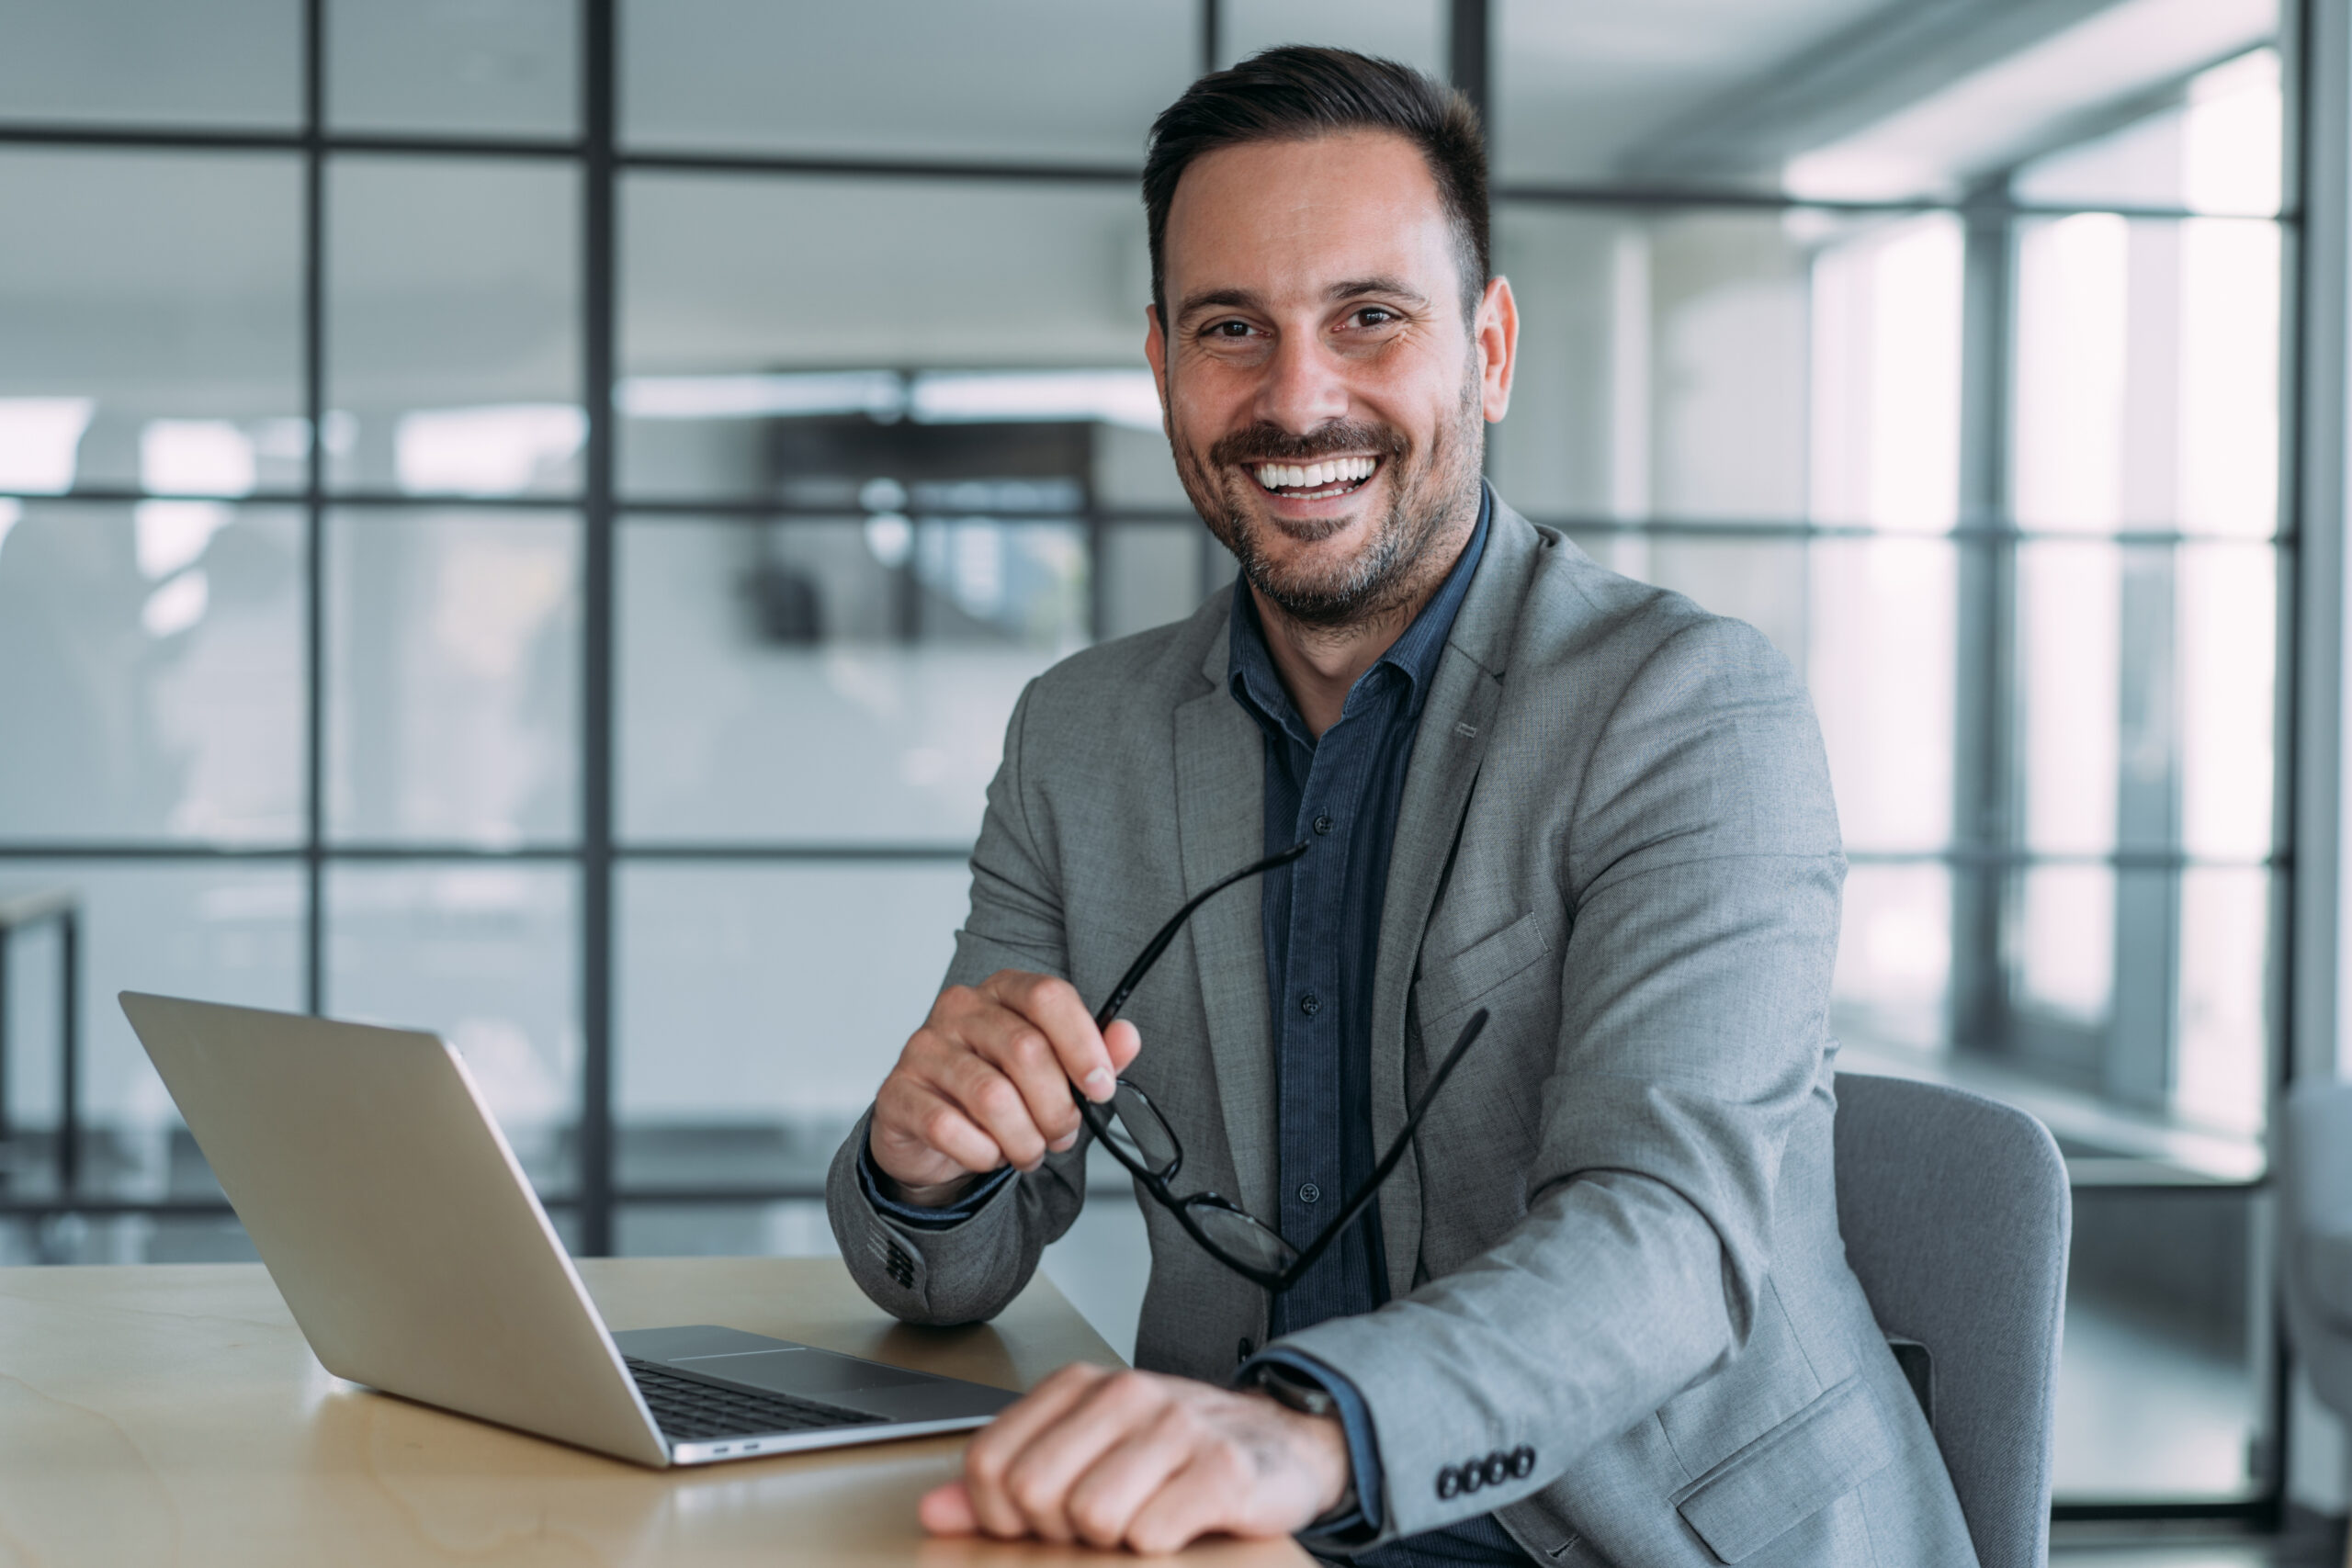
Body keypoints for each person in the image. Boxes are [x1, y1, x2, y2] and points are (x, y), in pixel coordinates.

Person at [826, 46, 1976, 1567]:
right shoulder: (1078, 737)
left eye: (1370, 318)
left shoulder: (1693, 706)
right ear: (1164, 364)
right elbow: (950, 1265)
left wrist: (1307, 1433)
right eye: (1233, 329)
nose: (1298, 399)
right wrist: (928, 1163)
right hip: (1240, 1529)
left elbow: (1671, 1236)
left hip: (1637, 1536)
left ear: (1489, 349)